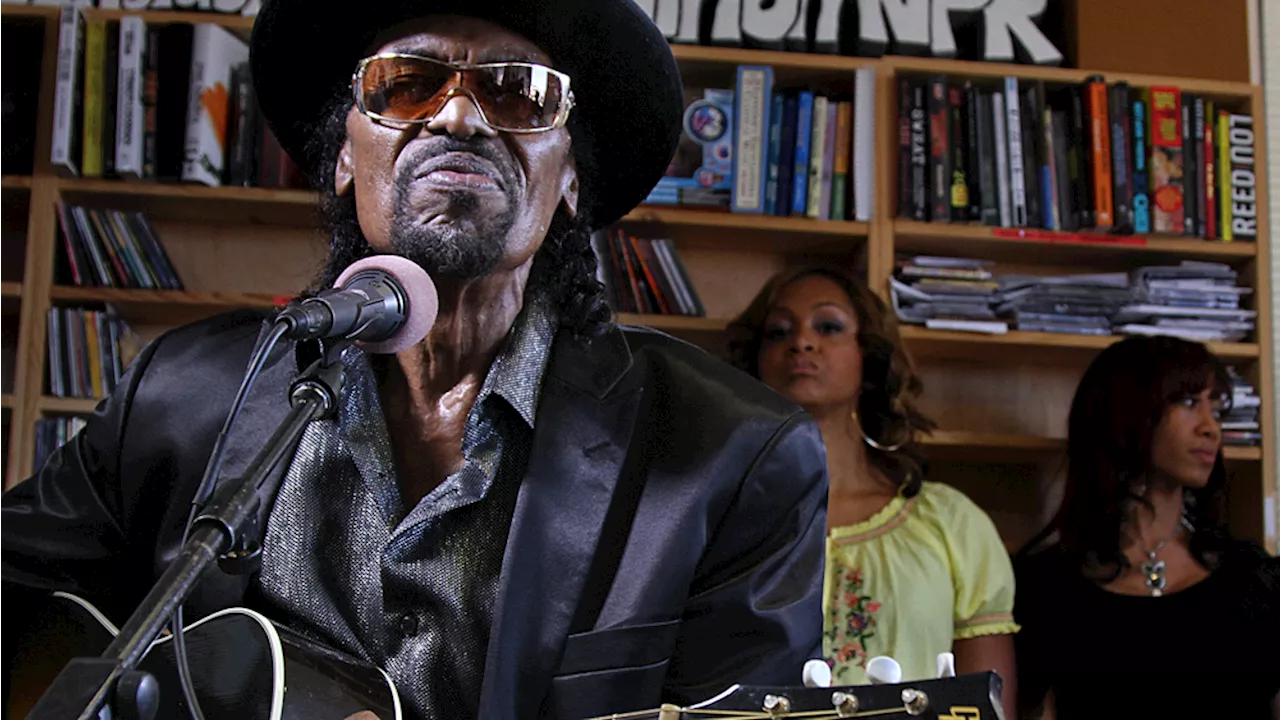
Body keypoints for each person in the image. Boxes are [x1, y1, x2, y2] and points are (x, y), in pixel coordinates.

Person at [0, 2, 830, 719]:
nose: (460, 118)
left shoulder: (732, 458)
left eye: (517, 94)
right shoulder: (179, 395)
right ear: (342, 154)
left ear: (571, 175)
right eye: (408, 83)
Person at [726, 266, 1019, 717]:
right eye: (778, 331)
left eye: (828, 327)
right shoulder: (718, 521)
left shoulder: (950, 525)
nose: (801, 342)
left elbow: (990, 708)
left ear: (869, 358)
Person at [1014, 335, 1280, 720]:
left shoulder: (1254, 577)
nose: (1211, 428)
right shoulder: (1045, 586)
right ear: (1126, 411)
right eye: (1189, 403)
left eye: (1217, 410)